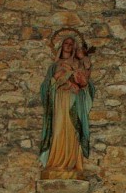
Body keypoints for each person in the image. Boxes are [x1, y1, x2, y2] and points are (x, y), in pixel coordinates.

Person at [39, 36, 94, 179]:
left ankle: (72, 163)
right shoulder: (54, 66)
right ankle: (55, 163)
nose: (68, 46)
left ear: (74, 47)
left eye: (71, 44)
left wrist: (78, 78)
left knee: (72, 130)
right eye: (66, 43)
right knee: (57, 130)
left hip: (72, 101)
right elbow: (46, 87)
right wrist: (57, 79)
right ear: (61, 46)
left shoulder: (77, 63)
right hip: (58, 102)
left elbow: (86, 83)